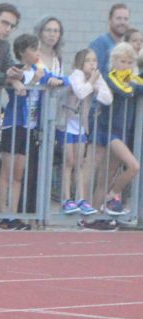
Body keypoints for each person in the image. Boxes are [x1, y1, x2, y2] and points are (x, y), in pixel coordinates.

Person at [0, 34, 67, 230]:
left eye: (38, 49)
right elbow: (17, 90)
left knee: (19, 172)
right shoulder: (17, 71)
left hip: (30, 126)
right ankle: (3, 214)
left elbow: (64, 80)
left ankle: (14, 214)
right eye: (33, 49)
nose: (37, 53)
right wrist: (31, 80)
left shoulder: (39, 71)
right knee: (7, 171)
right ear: (22, 52)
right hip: (14, 125)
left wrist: (55, 80)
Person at [57, 49, 112, 215]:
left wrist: (96, 87)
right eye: (88, 60)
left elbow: (108, 98)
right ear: (80, 62)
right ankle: (66, 198)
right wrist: (91, 84)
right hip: (66, 123)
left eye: (94, 60)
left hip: (81, 125)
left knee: (80, 162)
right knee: (69, 161)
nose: (92, 64)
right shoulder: (77, 74)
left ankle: (81, 198)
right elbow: (80, 92)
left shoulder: (96, 77)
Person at [91, 42, 142, 215]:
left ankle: (95, 215)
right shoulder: (109, 77)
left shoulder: (132, 77)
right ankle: (111, 198)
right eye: (122, 61)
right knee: (133, 166)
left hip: (122, 132)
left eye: (129, 62)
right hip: (109, 130)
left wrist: (134, 83)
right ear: (114, 61)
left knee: (107, 176)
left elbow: (138, 84)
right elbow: (125, 91)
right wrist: (134, 86)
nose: (126, 66)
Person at [90, 3, 130, 74]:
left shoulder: (127, 46)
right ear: (110, 20)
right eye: (118, 18)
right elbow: (91, 74)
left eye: (126, 19)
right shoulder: (99, 44)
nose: (123, 22)